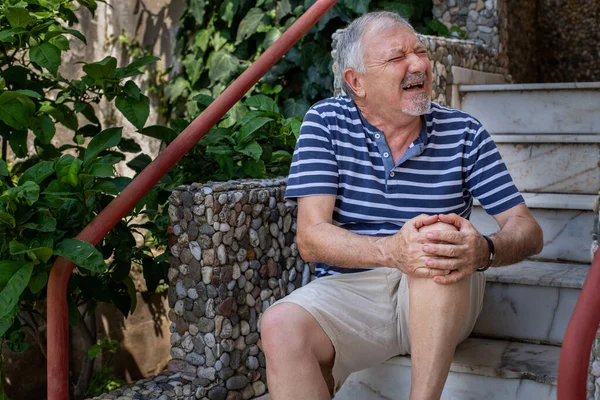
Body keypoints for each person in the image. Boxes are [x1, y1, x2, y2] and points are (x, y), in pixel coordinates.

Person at [260, 11, 543, 400]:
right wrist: (392, 250)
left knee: (436, 242)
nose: (418, 65)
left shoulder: (464, 132)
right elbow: (311, 238)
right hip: (353, 289)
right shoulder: (325, 123)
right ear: (355, 81)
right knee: (279, 324)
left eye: (421, 52)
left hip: (442, 292)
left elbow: (526, 228)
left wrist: (484, 250)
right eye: (397, 58)